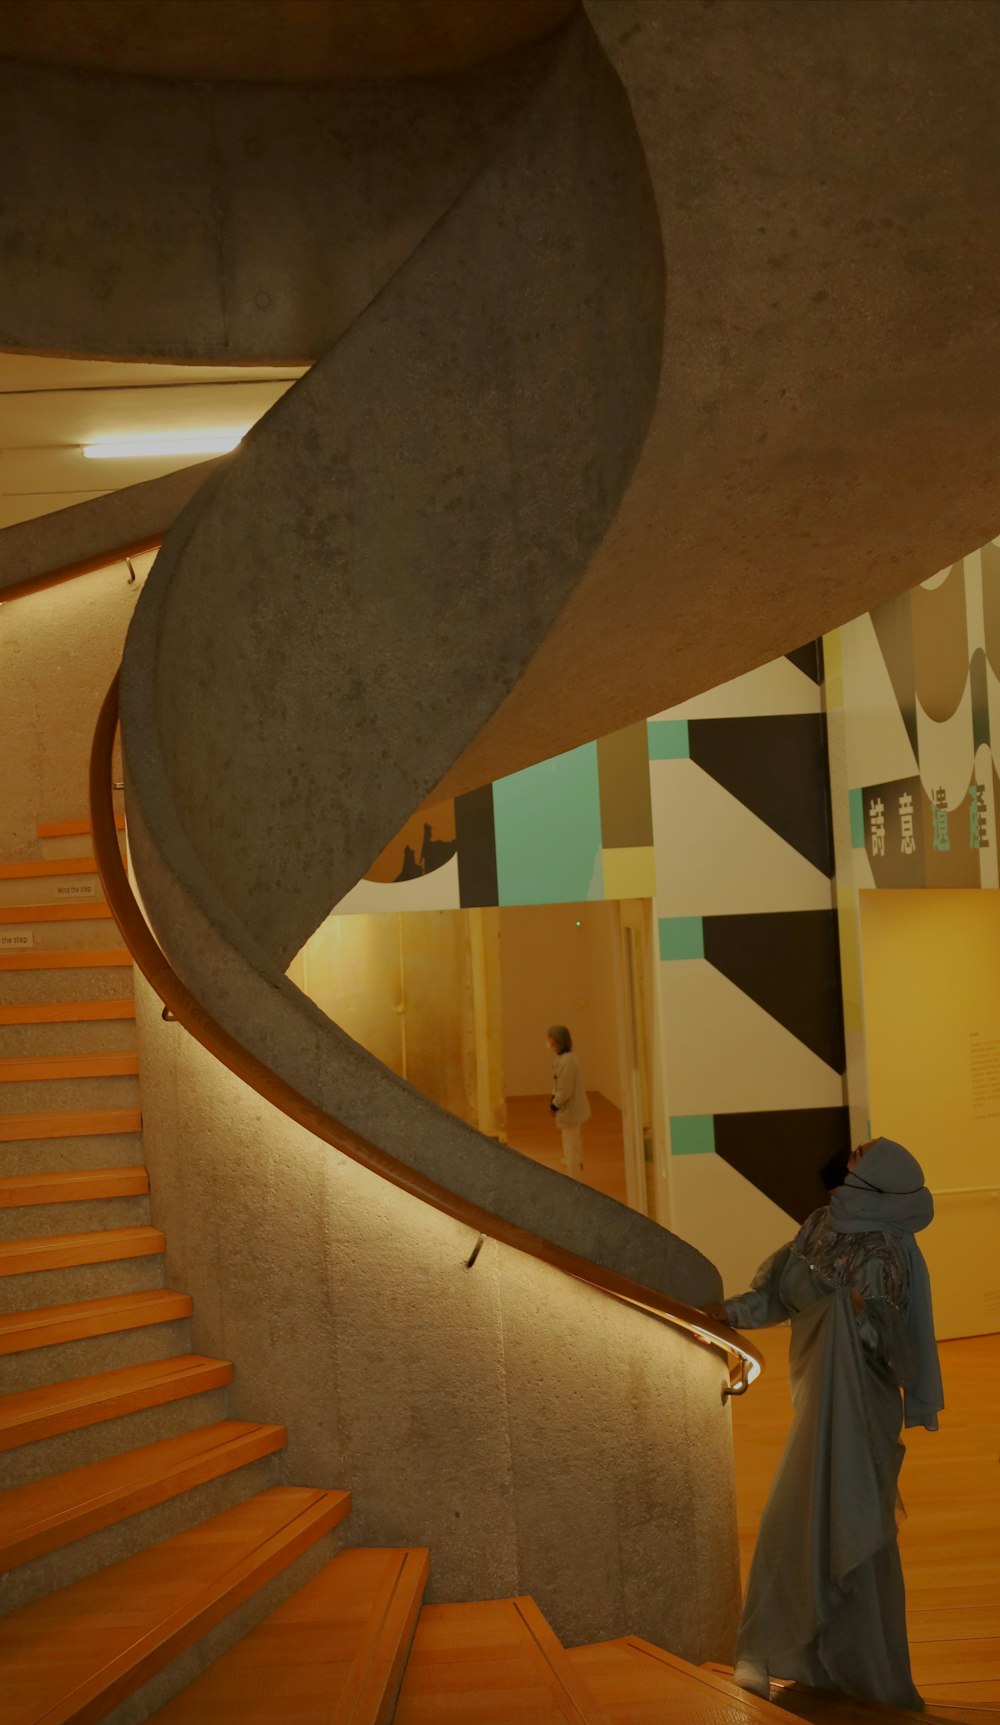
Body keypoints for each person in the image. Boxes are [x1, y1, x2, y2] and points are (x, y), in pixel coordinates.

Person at [705, 1136, 943, 1711]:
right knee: (798, 1512)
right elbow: (778, 1296)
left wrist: (860, 1315)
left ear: (879, 1178)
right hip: (815, 1397)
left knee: (852, 1524)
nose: (850, 1154)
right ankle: (769, 1651)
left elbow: (883, 1343)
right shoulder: (819, 1225)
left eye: (862, 1154)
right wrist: (727, 1313)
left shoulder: (889, 1248)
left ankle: (847, 1667)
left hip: (862, 1409)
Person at [547, 1024, 590, 1177]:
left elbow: (565, 1090)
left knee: (570, 1142)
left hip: (570, 1109)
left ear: (555, 1041)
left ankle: (574, 1174)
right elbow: (559, 1084)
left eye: (550, 1038)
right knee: (574, 1138)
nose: (548, 1041)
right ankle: (575, 1162)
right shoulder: (566, 1058)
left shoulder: (567, 1061)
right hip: (572, 1108)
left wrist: (554, 1105)